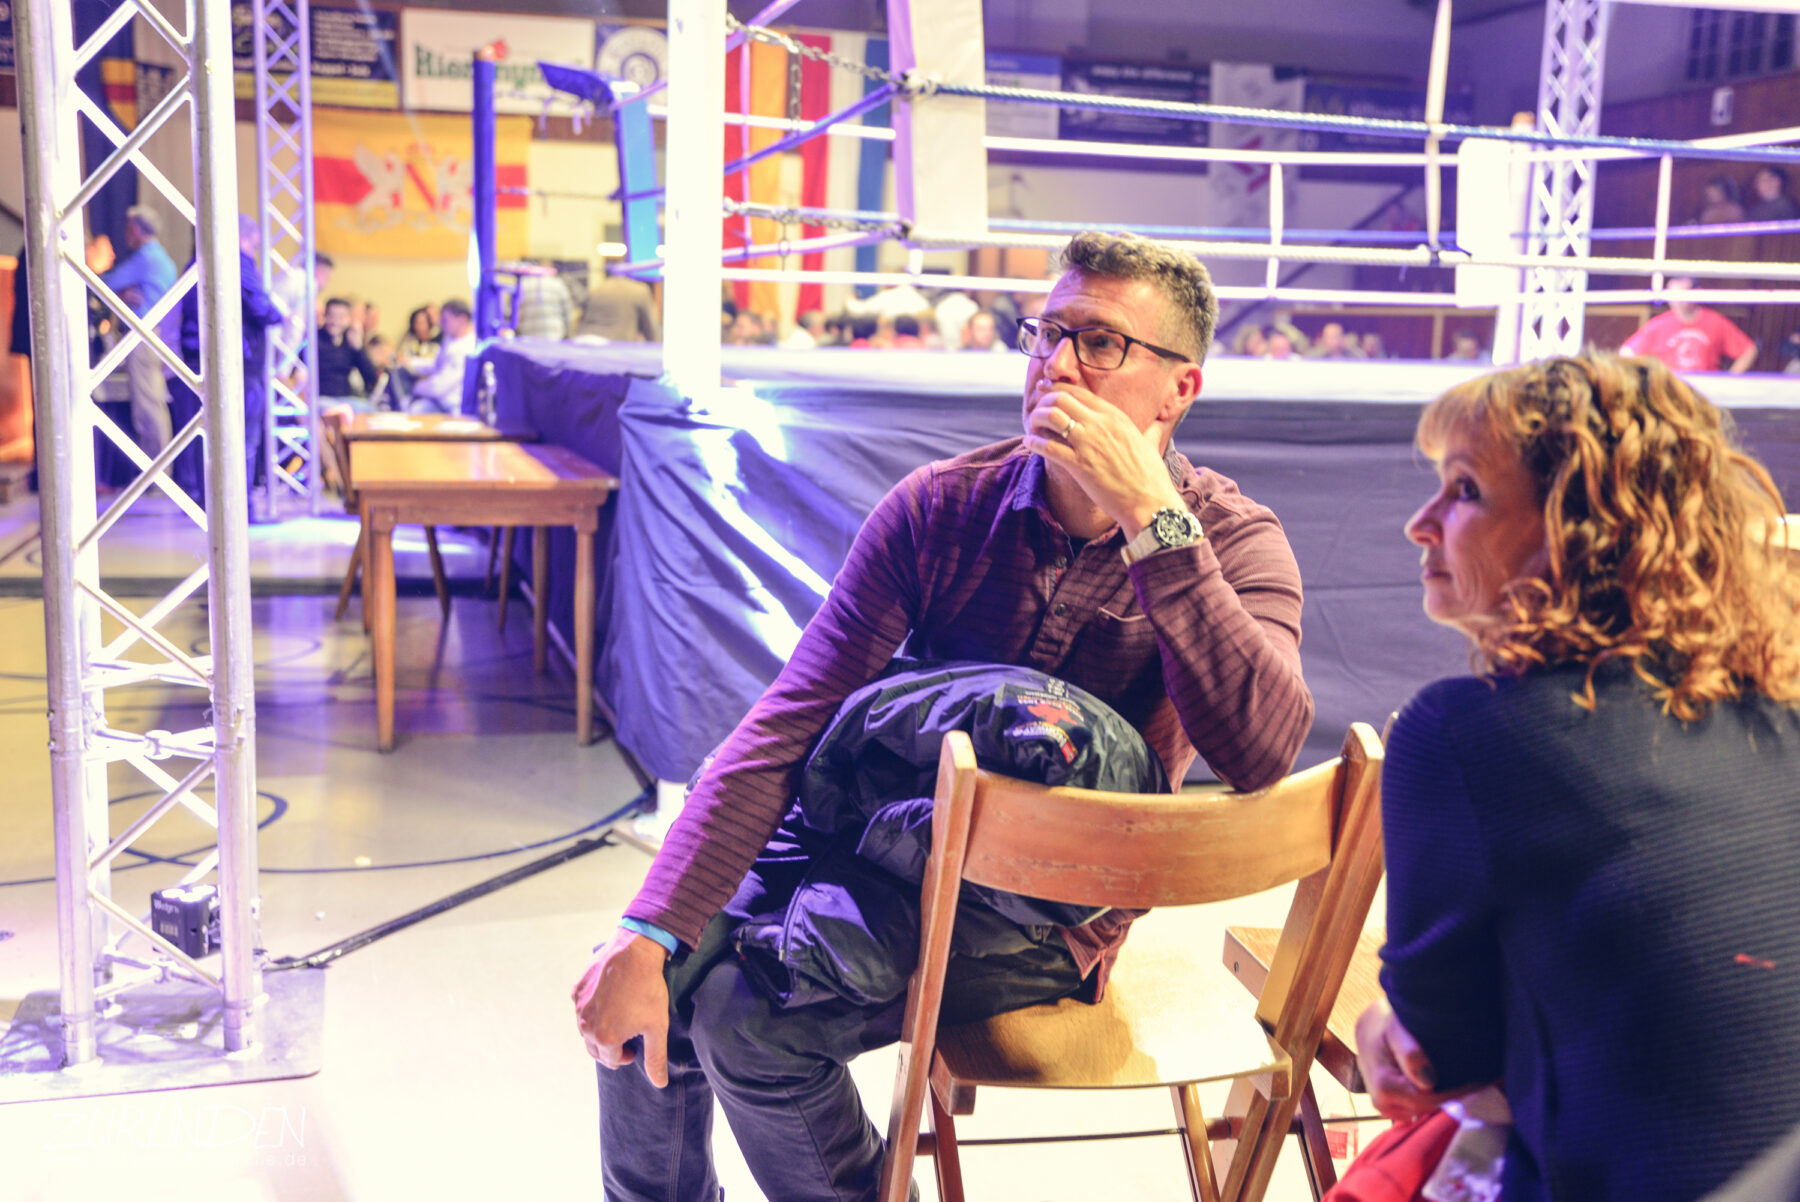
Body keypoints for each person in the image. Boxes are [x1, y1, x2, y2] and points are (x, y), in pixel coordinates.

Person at [572, 230, 1314, 1202]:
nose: (1057, 365)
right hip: (877, 837)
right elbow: (790, 721)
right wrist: (649, 927)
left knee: (746, 1022)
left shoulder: (1232, 539)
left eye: (1100, 342)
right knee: (640, 985)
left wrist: (1152, 520)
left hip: (1038, 908)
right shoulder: (941, 506)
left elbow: (1262, 750)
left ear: (1179, 390)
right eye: (1047, 333)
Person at [1357, 352, 1800, 1201]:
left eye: (1464, 491)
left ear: (1581, 530)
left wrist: (1383, 1020)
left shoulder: (1460, 734)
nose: (1421, 524)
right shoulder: (1779, 702)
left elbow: (1442, 1058)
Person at [100, 207, 178, 454]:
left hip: (142, 336)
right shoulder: (161, 257)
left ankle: (156, 469)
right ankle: (159, 466)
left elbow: (105, 282)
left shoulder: (145, 258)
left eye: (128, 228)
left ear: (135, 229)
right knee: (153, 402)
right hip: (155, 334)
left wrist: (120, 293)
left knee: (147, 406)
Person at [1621, 276, 1757, 374]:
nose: (1676, 300)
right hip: (1671, 391)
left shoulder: (1715, 322)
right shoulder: (1658, 325)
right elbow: (1627, 352)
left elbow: (1748, 350)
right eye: (1672, 294)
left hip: (1704, 392)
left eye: (1681, 293)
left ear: (1697, 292)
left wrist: (1729, 381)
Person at [405, 298, 476, 414]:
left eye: (445, 320)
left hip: (454, 407)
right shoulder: (450, 340)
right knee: (411, 408)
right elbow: (437, 365)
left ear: (462, 319)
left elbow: (439, 387)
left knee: (413, 408)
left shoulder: (467, 347)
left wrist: (415, 387)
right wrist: (409, 363)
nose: (441, 324)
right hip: (439, 402)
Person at [315, 297, 384, 410]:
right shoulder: (315, 339)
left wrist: (359, 348)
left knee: (370, 410)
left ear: (348, 319)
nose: (335, 321)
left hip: (346, 398)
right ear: (325, 316)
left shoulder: (349, 341)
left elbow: (371, 377)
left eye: (341, 317)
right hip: (321, 398)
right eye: (331, 315)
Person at [575, 267, 661, 343]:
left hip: (580, 342)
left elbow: (581, 318)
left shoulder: (598, 288)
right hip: (612, 346)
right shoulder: (640, 290)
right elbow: (651, 331)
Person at [512, 263, 576, 341]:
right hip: (554, 337)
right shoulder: (558, 284)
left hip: (527, 338)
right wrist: (568, 336)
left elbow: (513, 314)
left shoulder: (522, 285)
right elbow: (567, 314)